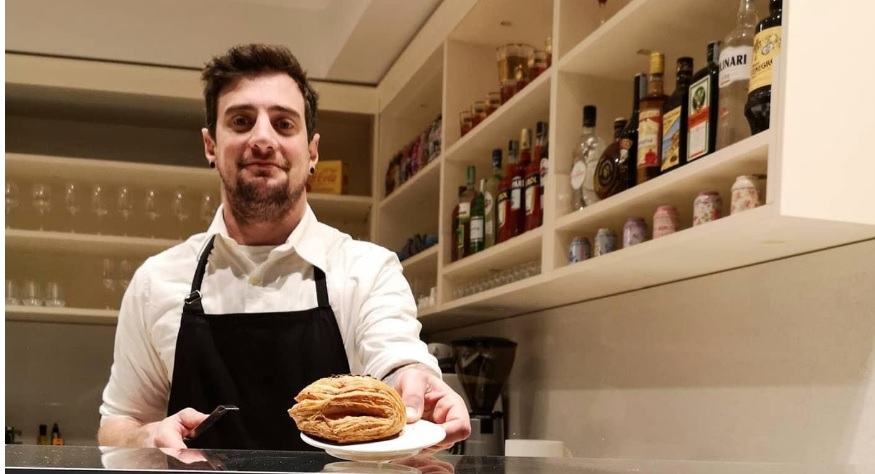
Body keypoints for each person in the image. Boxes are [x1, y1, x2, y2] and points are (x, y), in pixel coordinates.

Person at [97, 43, 470, 451]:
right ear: (210, 146)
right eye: (241, 121)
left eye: (284, 124)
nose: (262, 138)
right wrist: (146, 434)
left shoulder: (366, 270)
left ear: (311, 152)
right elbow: (118, 422)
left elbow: (395, 356)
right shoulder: (157, 281)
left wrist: (413, 382)